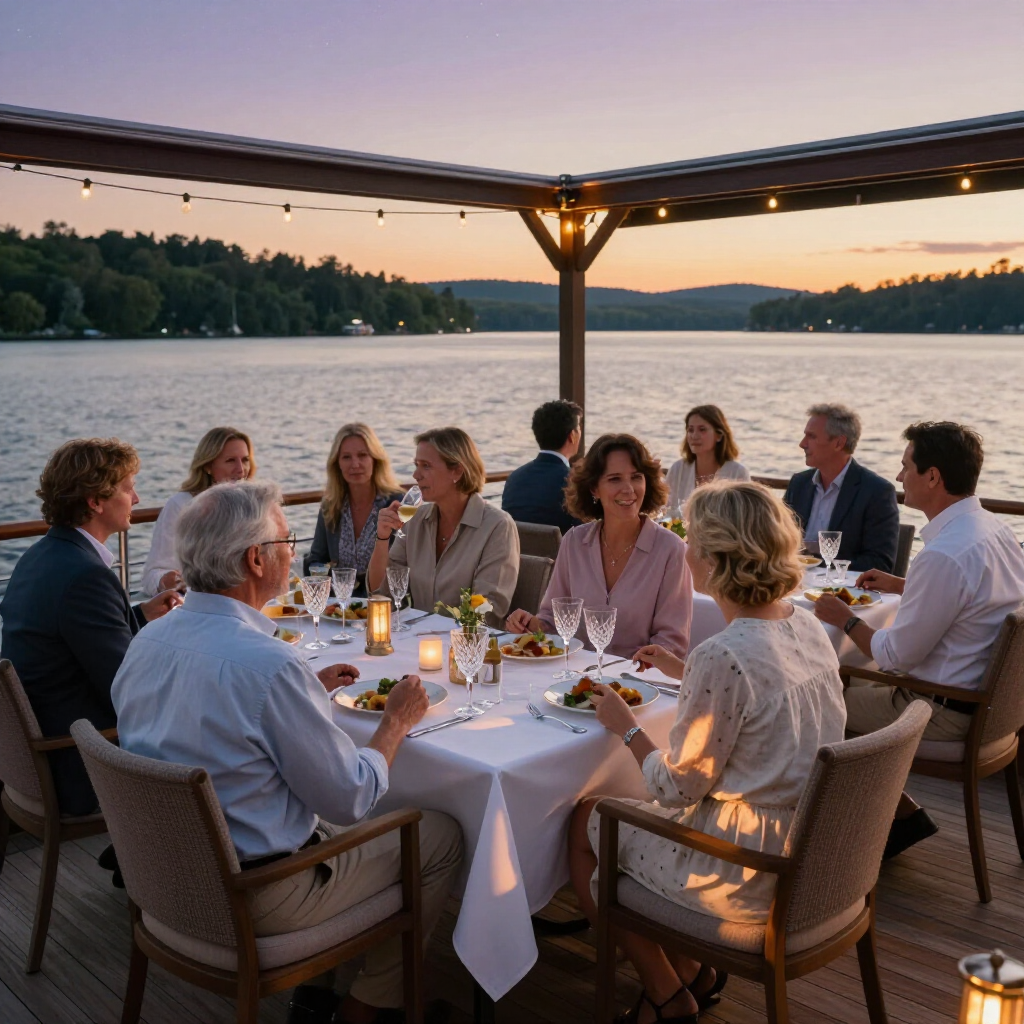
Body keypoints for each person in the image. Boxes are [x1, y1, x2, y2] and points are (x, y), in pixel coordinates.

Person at [111, 480, 463, 1024]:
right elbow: (352, 798)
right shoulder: (268, 665)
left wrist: (301, 694)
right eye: (286, 541)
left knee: (322, 814)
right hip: (259, 894)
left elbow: (212, 722)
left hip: (169, 881)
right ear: (256, 560)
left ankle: (317, 993)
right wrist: (394, 723)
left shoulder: (145, 641)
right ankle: (369, 1007)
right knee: (438, 833)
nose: (293, 554)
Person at [567, 481, 846, 1023]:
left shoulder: (724, 655)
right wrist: (687, 667)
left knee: (588, 823)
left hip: (745, 869)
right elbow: (759, 699)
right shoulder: (806, 626)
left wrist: (625, 727)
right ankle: (691, 971)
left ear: (717, 557)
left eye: (691, 537)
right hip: (810, 846)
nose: (684, 546)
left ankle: (666, 994)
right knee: (612, 816)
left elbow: (675, 789)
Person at [814, 421, 1024, 859]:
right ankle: (898, 813)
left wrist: (845, 618)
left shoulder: (945, 554)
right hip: (991, 709)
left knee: (812, 699)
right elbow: (979, 600)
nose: (898, 476)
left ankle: (845, 841)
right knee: (841, 680)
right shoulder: (993, 531)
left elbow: (895, 656)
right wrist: (904, 585)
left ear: (933, 476)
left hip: (941, 711)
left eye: (905, 466)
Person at [0, 438, 181, 817]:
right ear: (96, 501)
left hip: (37, 755)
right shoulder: (86, 576)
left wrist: (141, 614)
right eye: (128, 487)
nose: (136, 498)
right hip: (80, 762)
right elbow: (130, 690)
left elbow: (70, 638)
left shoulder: (40, 556)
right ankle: (173, 859)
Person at [506, 433, 692, 660]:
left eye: (636, 477)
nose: (629, 489)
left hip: (639, 686)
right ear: (594, 488)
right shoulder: (573, 542)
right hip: (576, 680)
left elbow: (672, 643)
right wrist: (530, 625)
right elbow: (553, 621)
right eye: (615, 479)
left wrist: (623, 679)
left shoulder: (670, 550)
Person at [368, 427, 520, 623]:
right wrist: (382, 537)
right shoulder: (414, 521)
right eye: (416, 465)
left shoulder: (497, 526)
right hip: (417, 642)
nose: (416, 474)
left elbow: (487, 609)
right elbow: (381, 593)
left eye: (426, 466)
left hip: (466, 646)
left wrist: (429, 633)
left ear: (456, 471)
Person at [140, 426, 256, 596]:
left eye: (245, 460)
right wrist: (170, 581)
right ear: (208, 465)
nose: (240, 469)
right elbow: (152, 577)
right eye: (230, 460)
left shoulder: (256, 505)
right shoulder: (182, 506)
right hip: (202, 603)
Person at [782, 403, 899, 572]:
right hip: (794, 585)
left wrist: (821, 564)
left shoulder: (877, 492)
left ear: (839, 443)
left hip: (842, 591)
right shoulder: (799, 483)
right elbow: (779, 542)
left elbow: (879, 564)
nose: (802, 444)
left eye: (812, 436)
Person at [307, 423, 403, 593]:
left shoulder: (396, 503)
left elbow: (405, 564)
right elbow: (317, 558)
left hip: (385, 604)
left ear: (375, 459)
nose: (355, 464)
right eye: (346, 457)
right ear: (337, 464)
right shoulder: (331, 506)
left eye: (362, 455)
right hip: (339, 608)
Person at [501, 399, 583, 534]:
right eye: (579, 428)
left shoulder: (514, 479)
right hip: (561, 555)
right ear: (572, 436)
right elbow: (585, 535)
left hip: (518, 555)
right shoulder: (574, 482)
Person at [664, 404, 750, 510]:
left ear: (718, 435)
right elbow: (665, 510)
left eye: (702, 429)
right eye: (690, 430)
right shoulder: (678, 469)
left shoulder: (738, 472)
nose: (694, 436)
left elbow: (744, 515)